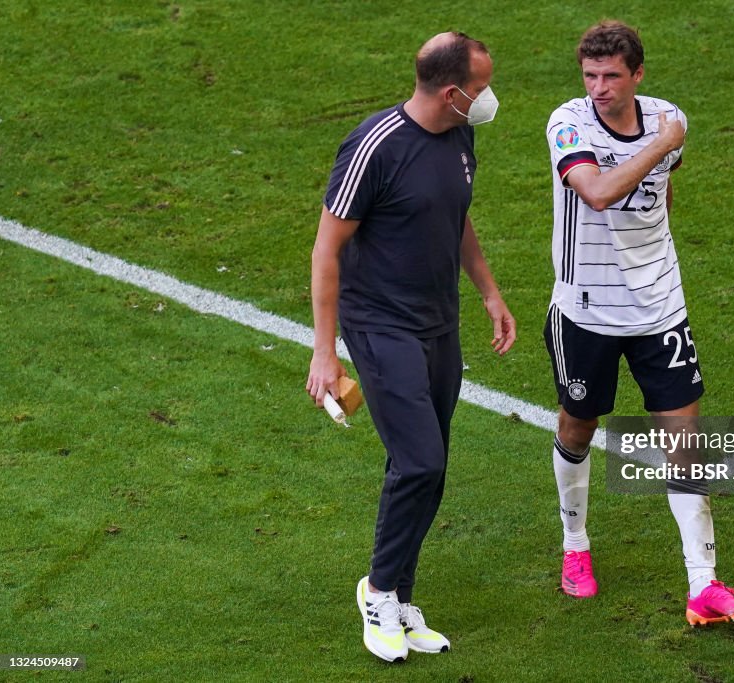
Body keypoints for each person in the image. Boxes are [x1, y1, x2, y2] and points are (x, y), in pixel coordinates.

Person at [543, 20, 734, 626]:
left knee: (684, 446)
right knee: (578, 428)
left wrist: (662, 155)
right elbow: (597, 193)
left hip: (660, 307)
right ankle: (576, 546)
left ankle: (704, 584)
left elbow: (661, 194)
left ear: (637, 74)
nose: (599, 88)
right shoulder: (570, 123)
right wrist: (660, 146)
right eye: (590, 75)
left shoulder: (669, 118)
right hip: (585, 311)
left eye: (612, 76)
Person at [306, 31, 516, 662]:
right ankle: (377, 590)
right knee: (419, 461)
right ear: (451, 93)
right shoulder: (375, 147)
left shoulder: (460, 135)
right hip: (379, 326)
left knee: (432, 467)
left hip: (439, 323)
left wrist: (488, 291)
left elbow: (455, 215)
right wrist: (324, 351)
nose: (487, 100)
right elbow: (326, 250)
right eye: (480, 90)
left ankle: (399, 595)